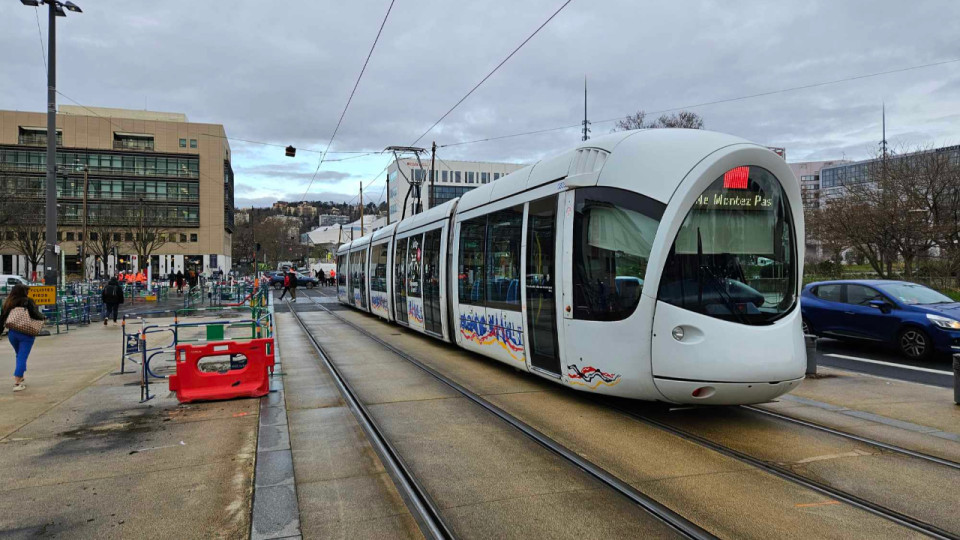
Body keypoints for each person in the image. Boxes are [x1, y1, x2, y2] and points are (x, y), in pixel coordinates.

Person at [0, 284, 45, 392]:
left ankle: (21, 376)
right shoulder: (27, 301)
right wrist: (43, 317)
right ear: (24, 292)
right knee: (22, 357)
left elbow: (2, 319)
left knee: (19, 355)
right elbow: (35, 315)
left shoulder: (8, 303)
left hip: (12, 334)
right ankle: (17, 382)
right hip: (26, 334)